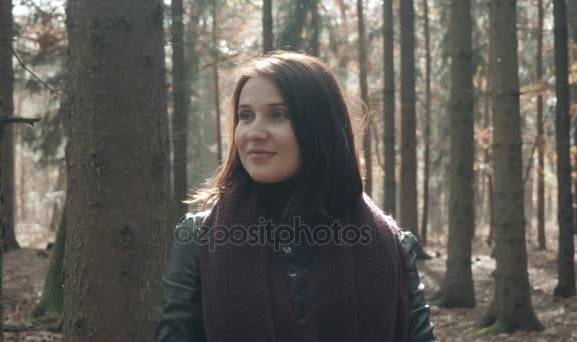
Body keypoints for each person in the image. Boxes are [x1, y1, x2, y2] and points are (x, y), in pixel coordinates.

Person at [156, 51, 435, 342]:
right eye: (245, 116)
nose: (254, 133)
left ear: (320, 127)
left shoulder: (393, 244)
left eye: (278, 114)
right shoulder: (198, 237)